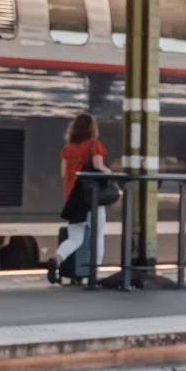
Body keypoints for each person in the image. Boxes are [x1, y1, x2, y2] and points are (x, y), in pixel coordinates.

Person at [49, 113, 109, 283]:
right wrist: (110, 172)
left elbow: (63, 173)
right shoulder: (94, 146)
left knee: (75, 238)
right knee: (97, 235)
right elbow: (98, 167)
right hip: (92, 198)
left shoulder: (68, 149)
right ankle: (93, 273)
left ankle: (57, 259)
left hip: (73, 199)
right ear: (92, 128)